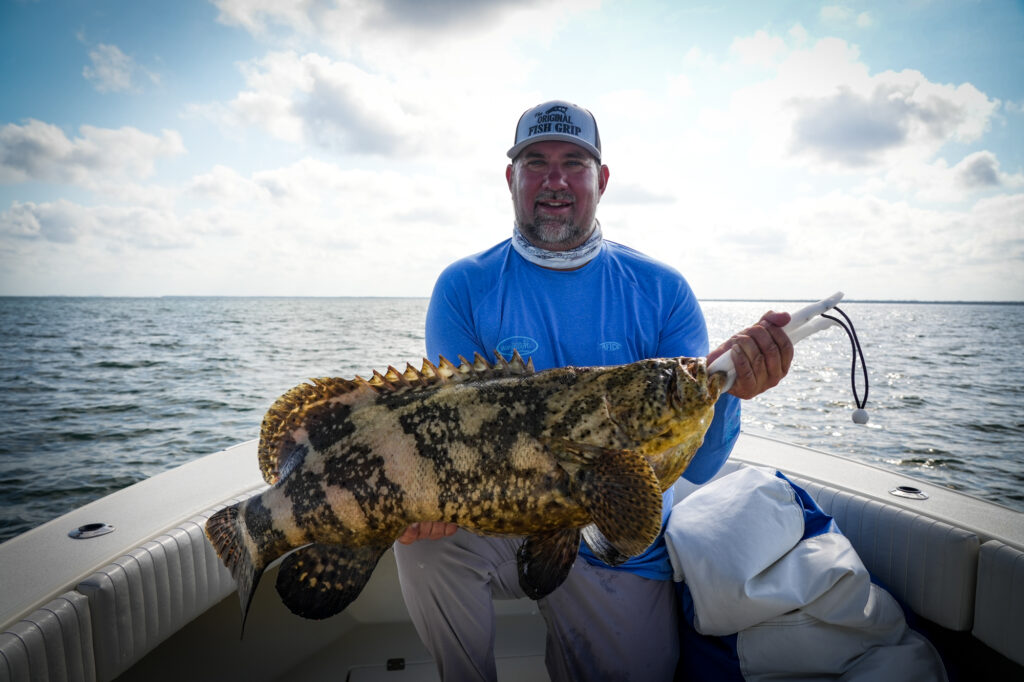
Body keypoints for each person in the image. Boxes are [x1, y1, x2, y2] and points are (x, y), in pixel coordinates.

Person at [393, 99, 793, 681]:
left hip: (614, 538)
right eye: (536, 161)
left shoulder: (664, 291)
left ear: (600, 180)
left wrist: (730, 390)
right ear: (511, 178)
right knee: (426, 549)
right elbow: (450, 441)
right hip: (499, 523)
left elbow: (701, 467)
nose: (554, 179)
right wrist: (421, 505)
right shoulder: (464, 286)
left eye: (573, 163)